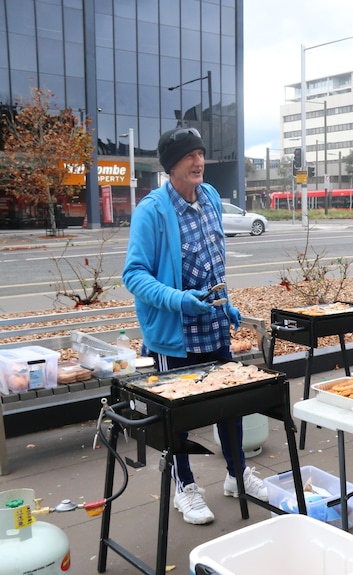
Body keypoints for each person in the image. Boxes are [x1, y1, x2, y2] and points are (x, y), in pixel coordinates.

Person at [122, 127, 267, 525]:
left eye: (201, 153)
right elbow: (133, 275)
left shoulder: (209, 199)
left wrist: (227, 304)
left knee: (231, 405)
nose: (199, 162)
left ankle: (237, 476)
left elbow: (212, 263)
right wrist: (179, 300)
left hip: (214, 326)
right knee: (178, 418)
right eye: (190, 156)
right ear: (172, 166)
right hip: (175, 335)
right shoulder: (151, 211)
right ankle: (185, 488)